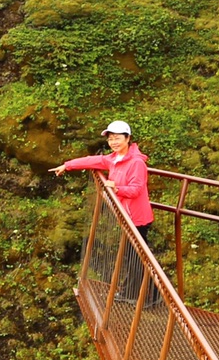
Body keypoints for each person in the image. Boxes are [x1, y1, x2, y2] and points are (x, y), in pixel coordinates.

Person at [53, 120, 157, 304]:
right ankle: (146, 294)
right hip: (126, 216)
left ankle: (139, 295)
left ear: (128, 138)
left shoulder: (136, 163)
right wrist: (67, 165)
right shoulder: (114, 159)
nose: (113, 142)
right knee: (137, 256)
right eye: (110, 139)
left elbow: (136, 190)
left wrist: (116, 188)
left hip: (136, 218)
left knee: (136, 258)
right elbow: (93, 160)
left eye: (117, 138)